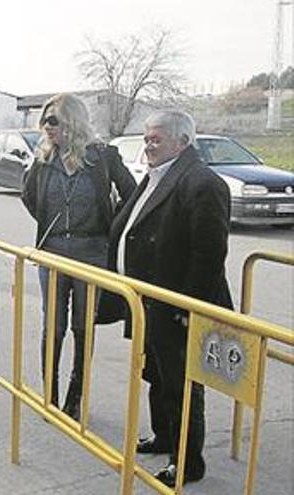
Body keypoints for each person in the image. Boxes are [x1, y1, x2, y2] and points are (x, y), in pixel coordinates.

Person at [108, 109, 232, 487]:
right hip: (148, 302)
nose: (148, 145)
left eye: (155, 139)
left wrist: (185, 308)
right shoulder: (158, 175)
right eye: (146, 138)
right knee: (156, 376)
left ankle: (188, 462)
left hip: (176, 306)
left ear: (182, 141)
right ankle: (164, 437)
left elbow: (209, 254)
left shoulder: (201, 183)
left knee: (181, 385)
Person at [22, 94, 136, 420]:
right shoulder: (44, 158)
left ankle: (76, 394)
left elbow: (132, 193)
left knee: (83, 327)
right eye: (44, 122)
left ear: (72, 122)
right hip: (52, 251)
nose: (46, 128)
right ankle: (50, 396)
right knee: (53, 326)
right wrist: (50, 223)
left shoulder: (103, 156)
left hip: (92, 254)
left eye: (53, 121)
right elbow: (29, 196)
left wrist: (111, 228)